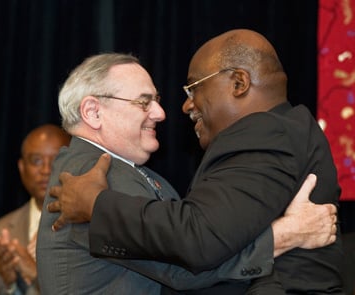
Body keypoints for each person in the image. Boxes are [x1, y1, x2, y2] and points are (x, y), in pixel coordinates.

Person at [47, 29, 343, 294]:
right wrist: (285, 235)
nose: (163, 113)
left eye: (158, 100)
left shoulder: (137, 178)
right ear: (93, 112)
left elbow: (190, 246)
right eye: (143, 101)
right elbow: (182, 269)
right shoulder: (83, 178)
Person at [0, 124, 70, 295]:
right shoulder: (0, 231)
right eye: (36, 160)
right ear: (21, 168)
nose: (45, 170)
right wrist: (9, 285)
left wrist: (37, 275)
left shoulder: (93, 228)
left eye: (56, 160)